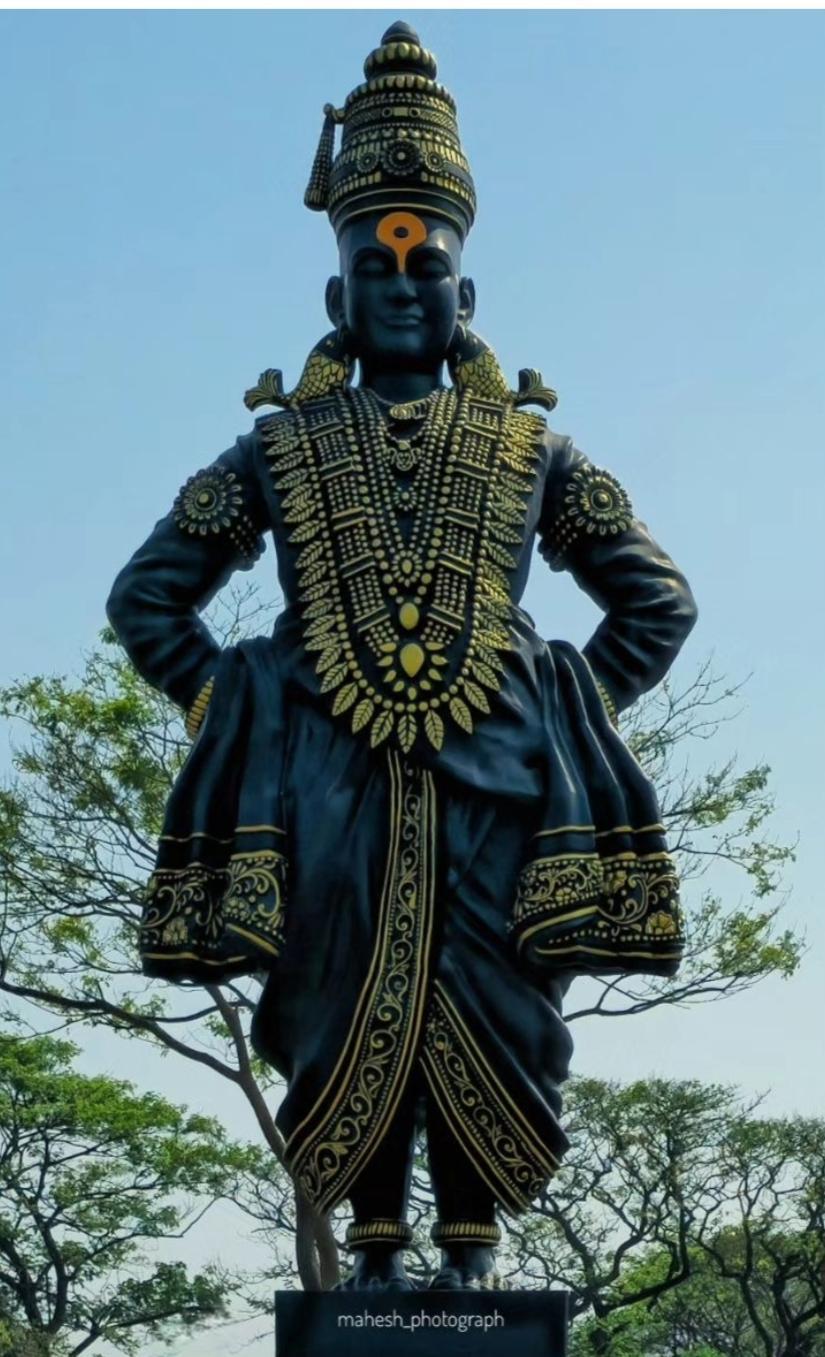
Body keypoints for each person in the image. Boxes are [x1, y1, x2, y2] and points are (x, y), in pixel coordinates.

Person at [106, 22, 697, 1292]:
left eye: (429, 266)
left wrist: (565, 706)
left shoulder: (534, 450)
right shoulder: (276, 449)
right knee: (334, 1006)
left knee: (492, 1005)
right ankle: (373, 1248)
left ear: (466, 292)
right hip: (323, 784)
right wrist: (244, 704)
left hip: (502, 789)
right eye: (379, 269)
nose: (406, 284)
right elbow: (149, 597)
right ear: (336, 295)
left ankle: (471, 1247)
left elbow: (656, 601)